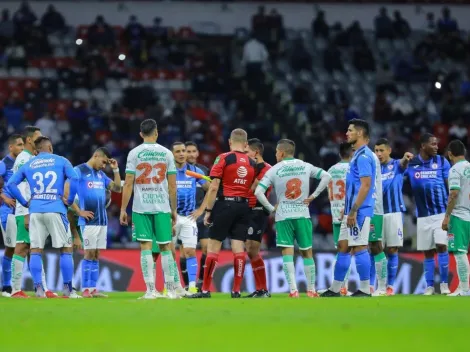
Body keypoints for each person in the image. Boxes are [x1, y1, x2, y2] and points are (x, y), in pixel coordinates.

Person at [255, 139, 331, 297]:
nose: (276, 154)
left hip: (283, 216)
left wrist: (270, 209)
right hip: (302, 214)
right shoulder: (305, 165)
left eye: (276, 151)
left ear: (281, 153)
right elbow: (326, 176)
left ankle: (293, 290)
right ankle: (311, 290)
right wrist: (313, 196)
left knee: (287, 253)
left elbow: (258, 192)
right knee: (307, 253)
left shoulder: (274, 170)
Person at [7, 136, 80, 298]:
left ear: (36, 150)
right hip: (56, 208)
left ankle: (39, 289)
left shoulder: (29, 164)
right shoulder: (61, 160)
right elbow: (75, 178)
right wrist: (68, 200)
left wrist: (24, 202)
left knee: (35, 250)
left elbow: (10, 184)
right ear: (51, 148)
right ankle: (68, 290)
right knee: (66, 248)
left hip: (35, 211)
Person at [188, 129, 257, 299]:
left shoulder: (224, 158)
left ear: (229, 141)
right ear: (246, 144)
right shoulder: (252, 162)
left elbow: (213, 186)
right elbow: (253, 187)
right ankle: (236, 291)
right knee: (238, 248)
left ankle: (204, 290)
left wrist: (209, 211)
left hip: (225, 204)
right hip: (243, 206)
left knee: (213, 248)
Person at [120, 119, 180, 300]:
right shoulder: (167, 153)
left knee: (145, 247)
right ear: (156, 133)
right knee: (165, 247)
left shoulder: (134, 153)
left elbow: (128, 183)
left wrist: (123, 208)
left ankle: (150, 291)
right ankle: (170, 290)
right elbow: (172, 186)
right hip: (162, 206)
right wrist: (174, 210)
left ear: (140, 134)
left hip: (140, 207)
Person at [322, 119, 376, 297]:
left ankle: (365, 289)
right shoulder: (357, 156)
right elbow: (353, 186)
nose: (347, 133)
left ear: (360, 133)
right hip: (350, 211)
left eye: (350, 130)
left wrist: (353, 210)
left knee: (359, 247)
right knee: (343, 247)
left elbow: (366, 185)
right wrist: (346, 209)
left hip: (359, 211)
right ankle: (335, 289)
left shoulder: (364, 157)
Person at [67, 147, 122, 298]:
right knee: (89, 253)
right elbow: (66, 195)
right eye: (103, 162)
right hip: (88, 221)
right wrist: (79, 212)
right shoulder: (78, 171)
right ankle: (85, 288)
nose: (104, 165)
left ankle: (92, 288)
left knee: (96, 254)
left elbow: (117, 188)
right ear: (96, 155)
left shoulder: (101, 175)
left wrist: (116, 169)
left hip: (102, 220)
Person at [9, 126, 56, 298]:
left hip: (33, 209)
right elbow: (23, 187)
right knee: (22, 247)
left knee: (35, 248)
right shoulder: (24, 159)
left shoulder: (31, 158)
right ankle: (15, 289)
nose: (41, 139)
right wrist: (27, 210)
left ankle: (43, 288)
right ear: (30, 140)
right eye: (38, 137)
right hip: (25, 211)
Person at [407, 133, 450, 295]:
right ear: (423, 146)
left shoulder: (441, 161)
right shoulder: (412, 163)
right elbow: (398, 171)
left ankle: (444, 284)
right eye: (433, 144)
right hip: (423, 215)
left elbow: (449, 184)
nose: (436, 147)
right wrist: (404, 160)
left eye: (436, 144)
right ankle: (430, 286)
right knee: (427, 251)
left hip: (441, 213)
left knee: (441, 246)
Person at [374, 138, 413, 295]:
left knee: (392, 249)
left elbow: (403, 164)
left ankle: (390, 286)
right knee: (375, 249)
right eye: (376, 151)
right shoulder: (373, 167)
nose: (378, 154)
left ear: (389, 150)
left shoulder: (396, 164)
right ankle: (374, 285)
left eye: (381, 150)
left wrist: (405, 158)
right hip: (377, 212)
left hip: (394, 211)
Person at [171, 142, 209, 293]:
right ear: (172, 154)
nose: (182, 154)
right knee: (170, 252)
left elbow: (211, 189)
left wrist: (201, 210)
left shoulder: (194, 171)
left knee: (190, 252)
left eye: (183, 151)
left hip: (189, 218)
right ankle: (171, 287)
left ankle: (192, 287)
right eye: (178, 151)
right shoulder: (168, 171)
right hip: (171, 217)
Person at [244, 138, 272, 298]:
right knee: (250, 250)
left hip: (258, 211)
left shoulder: (267, 169)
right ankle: (260, 289)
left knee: (253, 249)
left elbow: (253, 189)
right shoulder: (249, 168)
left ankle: (263, 289)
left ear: (256, 152)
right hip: (247, 210)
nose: (244, 154)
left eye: (247, 151)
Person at [323, 142, 352, 296]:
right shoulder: (354, 169)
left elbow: (329, 193)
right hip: (351, 214)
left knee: (341, 251)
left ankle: (341, 286)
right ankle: (346, 287)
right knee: (356, 250)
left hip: (335, 214)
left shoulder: (331, 170)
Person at [442, 140, 470, 296]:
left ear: (449, 153)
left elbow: (453, 193)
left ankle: (464, 288)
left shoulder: (454, 170)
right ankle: (462, 287)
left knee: (460, 252)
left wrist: (447, 216)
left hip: (459, 215)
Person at [0, 134, 24, 296]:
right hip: (7, 211)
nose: (22, 148)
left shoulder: (23, 163)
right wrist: (4, 197)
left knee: (19, 247)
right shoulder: (4, 164)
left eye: (23, 145)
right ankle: (7, 286)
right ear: (11, 147)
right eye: (19, 145)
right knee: (11, 247)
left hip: (21, 211)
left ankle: (11, 286)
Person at [185, 141, 209, 290]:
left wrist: (202, 210)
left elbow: (211, 191)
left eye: (194, 151)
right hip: (185, 216)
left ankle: (200, 281)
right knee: (185, 253)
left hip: (201, 216)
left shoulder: (204, 171)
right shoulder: (177, 171)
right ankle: (188, 284)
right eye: (188, 151)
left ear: (198, 153)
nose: (191, 154)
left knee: (206, 249)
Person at [369, 148, 387, 296]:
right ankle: (366, 286)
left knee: (375, 246)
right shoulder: (365, 157)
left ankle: (382, 287)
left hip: (372, 208)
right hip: (365, 208)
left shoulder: (369, 157)